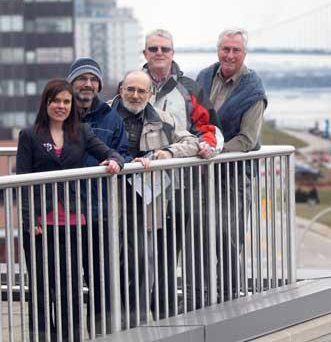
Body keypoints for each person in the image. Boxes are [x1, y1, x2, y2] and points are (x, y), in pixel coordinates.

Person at [17, 79, 124, 342]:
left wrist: (114, 162)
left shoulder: (82, 132)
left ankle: (71, 336)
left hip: (75, 221)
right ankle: (42, 337)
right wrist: (30, 221)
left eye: (66, 101)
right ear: (46, 103)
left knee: (71, 286)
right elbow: (22, 180)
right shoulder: (29, 135)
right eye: (56, 101)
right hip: (41, 224)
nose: (61, 106)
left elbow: (111, 153)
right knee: (42, 287)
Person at [110, 70, 221, 324]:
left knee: (141, 263)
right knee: (108, 266)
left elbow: (192, 142)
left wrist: (169, 152)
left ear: (150, 94)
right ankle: (109, 325)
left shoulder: (164, 118)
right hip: (106, 202)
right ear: (121, 90)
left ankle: (133, 325)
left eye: (141, 91)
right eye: (130, 89)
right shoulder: (104, 114)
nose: (135, 95)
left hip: (145, 205)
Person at [142, 29, 222, 316]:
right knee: (140, 257)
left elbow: (209, 128)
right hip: (140, 190)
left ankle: (164, 318)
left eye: (165, 48)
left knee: (166, 258)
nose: (159, 53)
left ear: (173, 53)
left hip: (181, 188)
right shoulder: (131, 85)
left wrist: (206, 146)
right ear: (145, 54)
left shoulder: (189, 88)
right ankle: (142, 316)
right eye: (153, 49)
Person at [196, 28, 268, 301]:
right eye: (225, 49)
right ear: (218, 50)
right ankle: (202, 297)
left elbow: (248, 139)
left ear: (244, 54)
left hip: (233, 175)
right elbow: (193, 119)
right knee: (202, 238)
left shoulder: (253, 88)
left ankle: (228, 297)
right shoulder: (203, 77)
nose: (230, 55)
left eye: (236, 50)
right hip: (201, 173)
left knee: (228, 239)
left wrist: (215, 151)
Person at [67, 57, 130, 335]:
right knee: (65, 280)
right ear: (71, 83)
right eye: (82, 78)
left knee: (101, 280)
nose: (88, 84)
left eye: (93, 80)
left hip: (99, 211)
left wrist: (116, 161)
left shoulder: (111, 118)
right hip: (65, 211)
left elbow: (123, 152)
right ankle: (70, 333)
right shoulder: (58, 112)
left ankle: (100, 334)